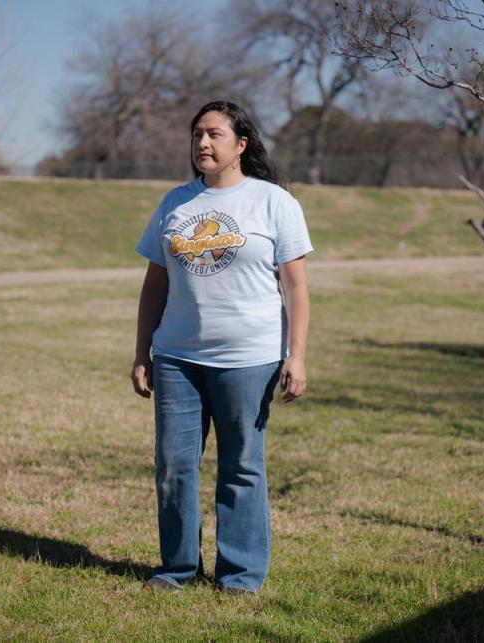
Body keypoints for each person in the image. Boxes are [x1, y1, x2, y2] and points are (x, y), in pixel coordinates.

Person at [131, 100, 312, 595]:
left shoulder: (274, 202)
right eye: (196, 136)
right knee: (174, 465)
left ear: (241, 144)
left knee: (242, 465)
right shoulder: (175, 202)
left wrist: (296, 355)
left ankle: (240, 575)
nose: (202, 144)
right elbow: (154, 285)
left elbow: (296, 286)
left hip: (249, 359)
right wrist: (142, 352)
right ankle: (176, 568)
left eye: (213, 134)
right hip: (177, 358)